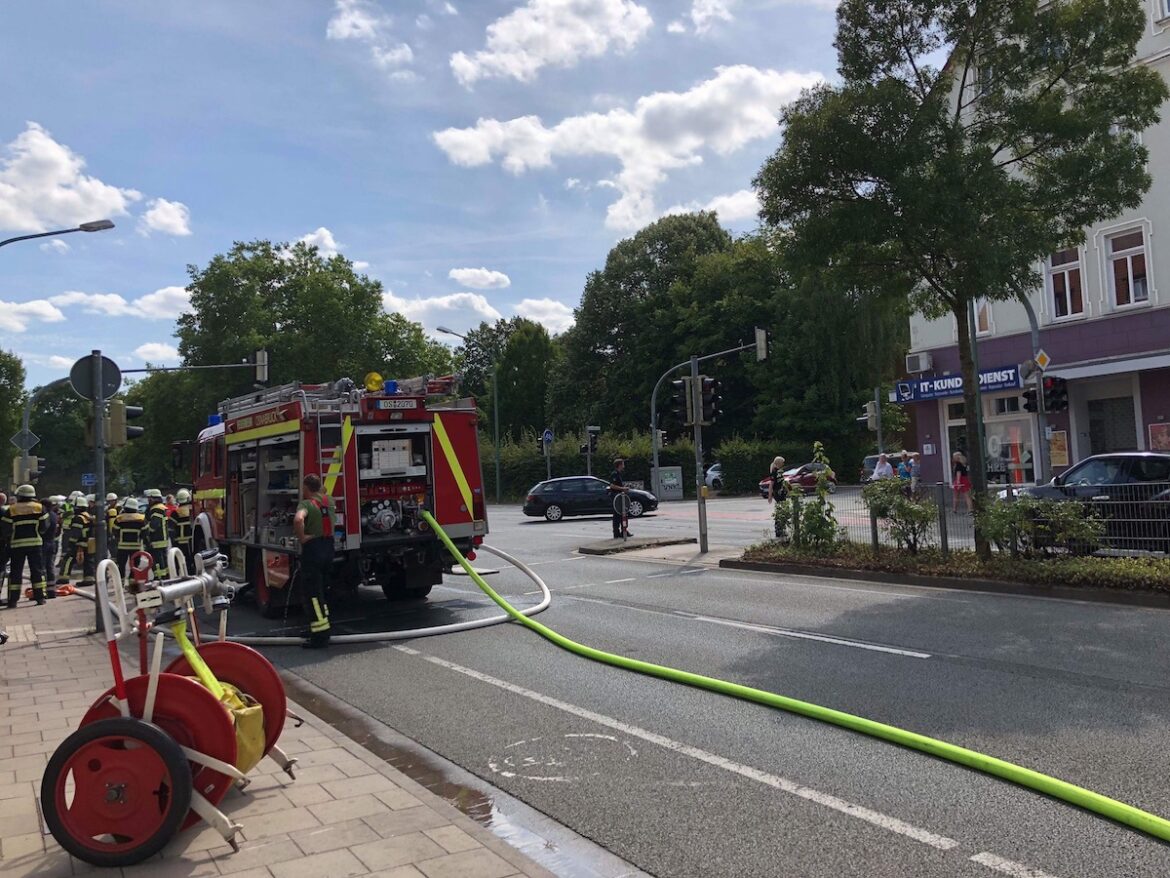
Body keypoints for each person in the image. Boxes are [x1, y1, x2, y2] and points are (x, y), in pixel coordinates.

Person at [294, 474, 333, 649]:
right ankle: (320, 627)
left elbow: (298, 519)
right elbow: (322, 490)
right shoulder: (328, 501)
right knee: (322, 590)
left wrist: (302, 537)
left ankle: (319, 636)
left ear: (306, 488)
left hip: (313, 549)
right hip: (328, 547)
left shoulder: (306, 504)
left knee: (313, 595)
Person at [2, 484, 50, 607]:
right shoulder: (39, 508)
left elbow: (5, 529)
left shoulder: (12, 509)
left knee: (15, 572)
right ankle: (40, 598)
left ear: (19, 495)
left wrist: (9, 538)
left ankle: (13, 600)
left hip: (16, 545)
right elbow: (45, 526)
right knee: (37, 571)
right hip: (35, 544)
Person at [114, 498, 148, 578]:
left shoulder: (119, 518)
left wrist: (119, 538)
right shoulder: (141, 518)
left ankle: (121, 581)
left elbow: (114, 531)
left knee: (121, 565)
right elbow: (145, 531)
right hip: (135, 546)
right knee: (135, 565)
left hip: (122, 547)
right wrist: (141, 539)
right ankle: (132, 580)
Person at [68, 496, 96, 589]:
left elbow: (76, 533)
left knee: (68, 558)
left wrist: (71, 543)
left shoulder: (78, 518)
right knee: (89, 561)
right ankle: (89, 578)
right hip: (90, 542)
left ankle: (63, 578)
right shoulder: (88, 516)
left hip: (81, 542)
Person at [144, 489, 170, 579]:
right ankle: (166, 576)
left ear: (153, 498)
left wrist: (147, 530)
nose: (148, 500)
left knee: (157, 560)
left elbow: (154, 525)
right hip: (162, 538)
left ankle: (160, 577)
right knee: (163, 559)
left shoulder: (156, 509)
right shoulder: (161, 507)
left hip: (157, 539)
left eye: (149, 498)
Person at [169, 489, 195, 574]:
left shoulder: (176, 512)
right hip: (192, 539)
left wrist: (173, 540)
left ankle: (179, 574)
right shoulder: (193, 510)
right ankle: (192, 574)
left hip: (179, 541)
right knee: (192, 558)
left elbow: (170, 527)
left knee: (179, 558)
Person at [607, 458, 631, 539]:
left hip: (620, 496)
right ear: (619, 465)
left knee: (622, 514)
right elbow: (612, 485)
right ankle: (616, 532)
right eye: (623, 464)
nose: (624, 466)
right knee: (617, 515)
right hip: (616, 496)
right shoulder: (614, 474)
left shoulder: (618, 474)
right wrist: (622, 488)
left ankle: (624, 531)